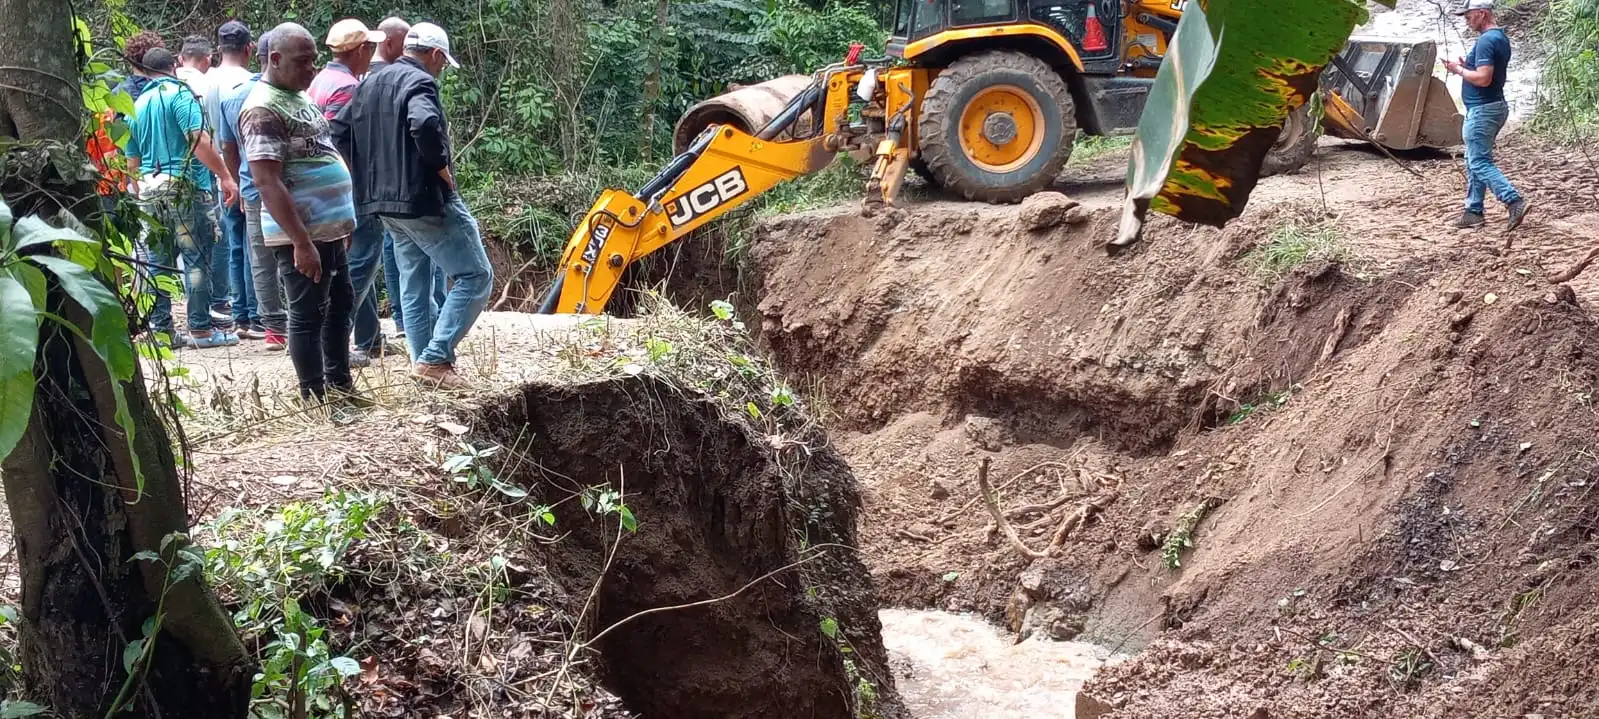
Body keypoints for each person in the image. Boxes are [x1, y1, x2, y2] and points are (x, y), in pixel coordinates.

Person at [334, 22, 491, 390]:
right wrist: (439, 166)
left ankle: (425, 368)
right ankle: (436, 358)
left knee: (414, 282)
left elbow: (338, 131)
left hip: (382, 205)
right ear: (435, 55)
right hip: (421, 200)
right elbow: (423, 122)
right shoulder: (420, 83)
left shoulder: (369, 82)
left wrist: (364, 176)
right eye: (442, 62)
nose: (440, 70)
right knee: (476, 275)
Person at [240, 23, 360, 401]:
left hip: (327, 229)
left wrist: (342, 219)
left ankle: (340, 385)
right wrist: (301, 242)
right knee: (308, 314)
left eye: (314, 59)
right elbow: (266, 180)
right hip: (303, 232)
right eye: (303, 61)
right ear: (275, 60)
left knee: (340, 303)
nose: (312, 68)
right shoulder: (262, 107)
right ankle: (315, 396)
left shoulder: (297, 96)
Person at [127, 47, 240, 348]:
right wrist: (226, 176)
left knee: (158, 260)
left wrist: (140, 189)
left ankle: (162, 330)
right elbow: (198, 140)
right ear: (175, 65)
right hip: (184, 188)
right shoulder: (179, 95)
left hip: (150, 190)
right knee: (195, 258)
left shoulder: (137, 104)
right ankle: (201, 330)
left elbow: (132, 159)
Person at [312, 18, 397, 367]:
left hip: (331, 190)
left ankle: (369, 337)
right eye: (370, 47)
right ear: (360, 50)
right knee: (360, 264)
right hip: (354, 190)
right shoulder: (348, 87)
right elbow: (337, 140)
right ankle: (336, 341)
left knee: (359, 264)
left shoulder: (321, 80)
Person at [219, 32, 289, 350]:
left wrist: (237, 181)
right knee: (292, 249)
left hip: (251, 186)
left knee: (261, 257)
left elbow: (228, 148)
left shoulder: (233, 98)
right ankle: (295, 320)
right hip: (286, 185)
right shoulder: (284, 94)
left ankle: (274, 329)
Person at [1445, 0, 1530, 231]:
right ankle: (1473, 211)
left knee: (1478, 161)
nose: (1466, 19)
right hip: (1492, 106)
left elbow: (1483, 78)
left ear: (1482, 14)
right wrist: (1468, 66)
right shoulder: (1499, 38)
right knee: (1474, 159)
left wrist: (1458, 70)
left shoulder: (1486, 40)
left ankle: (1513, 200)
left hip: (1483, 109)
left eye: (1469, 15)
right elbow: (1487, 72)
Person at [206, 20, 264, 337]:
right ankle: (255, 315)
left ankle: (240, 313)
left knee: (235, 245)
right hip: (245, 175)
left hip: (219, 174)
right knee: (255, 246)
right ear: (249, 49)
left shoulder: (208, 81)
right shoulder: (249, 84)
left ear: (218, 48)